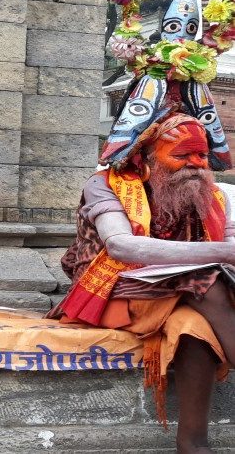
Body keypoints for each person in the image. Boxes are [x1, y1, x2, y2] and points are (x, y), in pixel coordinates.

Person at [50, 112, 235, 453]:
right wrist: (223, 252)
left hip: (189, 296)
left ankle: (193, 443)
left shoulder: (218, 194)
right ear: (144, 158)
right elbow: (121, 245)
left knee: (194, 328)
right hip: (111, 290)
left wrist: (225, 252)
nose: (195, 165)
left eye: (202, 156)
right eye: (182, 156)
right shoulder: (105, 184)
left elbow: (230, 245)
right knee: (205, 279)